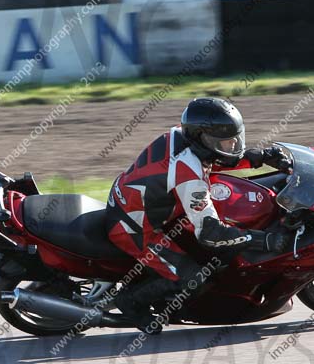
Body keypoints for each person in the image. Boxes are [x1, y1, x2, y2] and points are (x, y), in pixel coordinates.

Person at [105, 97, 293, 334]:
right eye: (226, 142)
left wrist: (260, 157)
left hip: (146, 202)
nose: (233, 146)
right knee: (192, 278)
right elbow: (211, 234)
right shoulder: (189, 173)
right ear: (201, 138)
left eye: (236, 140)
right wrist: (263, 240)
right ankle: (130, 301)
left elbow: (215, 157)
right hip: (133, 226)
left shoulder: (184, 135)